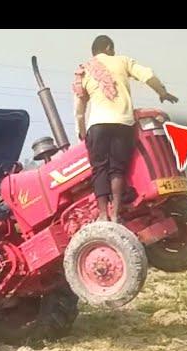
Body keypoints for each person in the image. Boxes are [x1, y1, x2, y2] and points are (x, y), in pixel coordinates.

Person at [73, 35, 179, 223]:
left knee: (99, 169)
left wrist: (81, 132)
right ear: (108, 47)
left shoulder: (83, 71)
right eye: (112, 49)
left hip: (98, 125)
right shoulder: (122, 61)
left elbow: (79, 110)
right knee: (117, 169)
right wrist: (162, 92)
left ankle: (103, 214)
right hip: (123, 123)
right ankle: (115, 214)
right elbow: (147, 75)